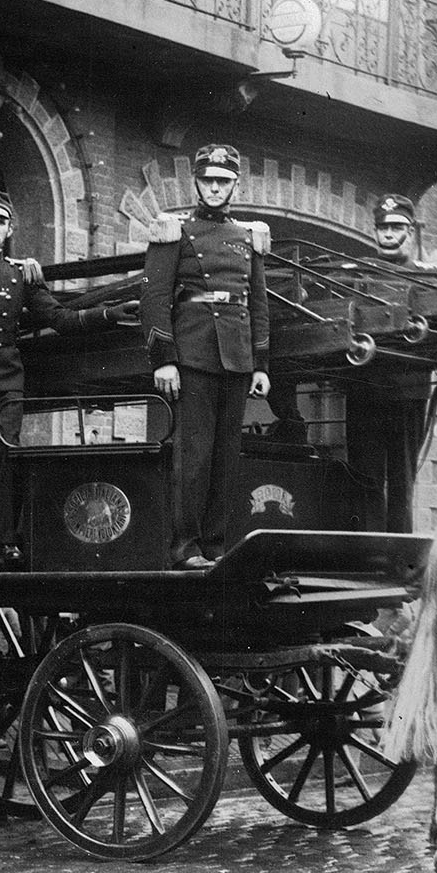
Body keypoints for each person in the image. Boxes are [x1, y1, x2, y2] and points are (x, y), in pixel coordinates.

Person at [0, 188, 134, 570]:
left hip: (6, 376)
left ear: (10, 228)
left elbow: (60, 318)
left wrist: (109, 314)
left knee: (7, 456)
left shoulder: (22, 274)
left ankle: (8, 541)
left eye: (1, 223)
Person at [138, 144, 270, 570]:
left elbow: (258, 304)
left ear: (234, 185)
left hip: (235, 356)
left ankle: (215, 545)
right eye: (208, 180)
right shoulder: (175, 231)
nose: (214, 188)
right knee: (193, 456)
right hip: (193, 353)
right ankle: (185, 547)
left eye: (223, 181)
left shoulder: (247, 237)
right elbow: (154, 299)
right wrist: (164, 358)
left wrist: (261, 364)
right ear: (196, 182)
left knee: (225, 457)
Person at [346, 193, 437, 534]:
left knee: (403, 482)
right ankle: (369, 554)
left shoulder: (428, 276)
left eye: (396, 227)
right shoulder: (359, 272)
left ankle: (399, 555)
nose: (388, 234)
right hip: (366, 390)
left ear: (411, 232)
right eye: (382, 228)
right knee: (366, 480)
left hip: (408, 393)